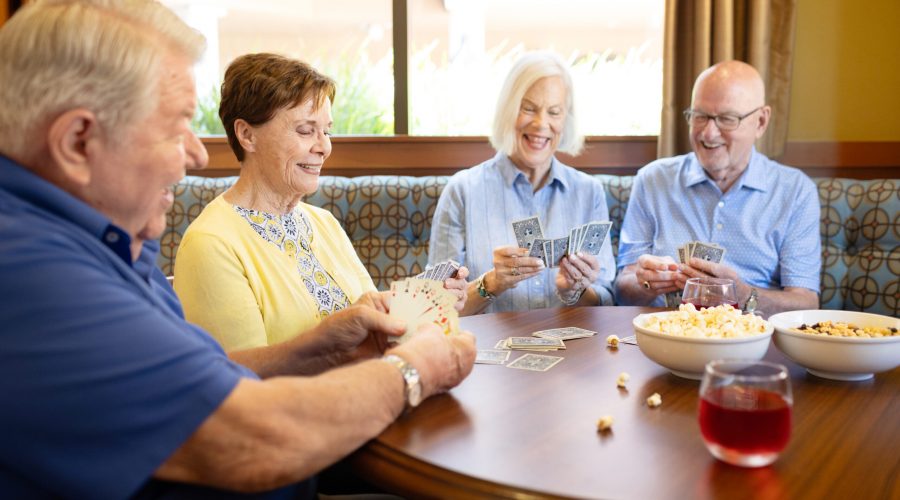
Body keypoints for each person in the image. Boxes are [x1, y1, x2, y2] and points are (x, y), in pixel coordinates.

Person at [0, 1, 475, 498]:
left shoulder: (110, 241)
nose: (198, 152)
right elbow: (254, 438)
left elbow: (222, 375)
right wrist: (417, 369)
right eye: (174, 125)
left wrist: (330, 346)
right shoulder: (33, 277)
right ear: (78, 142)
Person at [174, 52, 470, 351]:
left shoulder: (322, 221)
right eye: (305, 130)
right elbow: (240, 384)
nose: (324, 147)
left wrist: (427, 304)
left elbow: (372, 328)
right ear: (247, 135)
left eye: (326, 131)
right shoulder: (210, 243)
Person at [615, 60, 820, 315]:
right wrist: (646, 283)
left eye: (726, 119)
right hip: (665, 337)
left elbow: (806, 302)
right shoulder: (653, 180)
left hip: (749, 342)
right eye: (699, 116)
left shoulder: (795, 192)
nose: (709, 133)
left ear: (761, 122)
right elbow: (623, 287)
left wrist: (743, 294)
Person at [429, 52, 616, 315]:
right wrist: (492, 283)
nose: (541, 124)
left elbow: (608, 299)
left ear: (566, 120)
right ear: (508, 110)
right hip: (485, 350)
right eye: (528, 108)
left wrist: (576, 290)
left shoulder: (589, 192)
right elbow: (436, 306)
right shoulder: (463, 191)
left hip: (573, 349)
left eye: (554, 112)